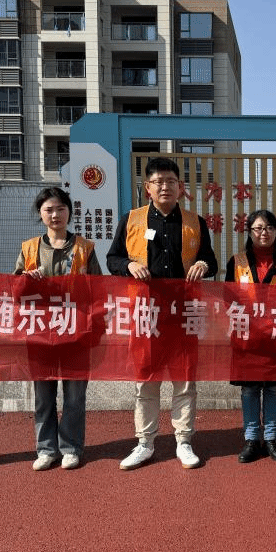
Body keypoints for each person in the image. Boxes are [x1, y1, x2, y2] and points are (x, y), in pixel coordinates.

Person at [106, 156, 218, 470]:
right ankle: (145, 442)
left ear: (180, 187)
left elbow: (211, 260)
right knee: (146, 380)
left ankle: (184, 441)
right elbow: (112, 259)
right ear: (148, 187)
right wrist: (128, 265)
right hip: (147, 313)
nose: (164, 187)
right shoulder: (132, 220)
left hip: (184, 312)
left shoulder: (195, 222)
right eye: (158, 182)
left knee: (185, 380)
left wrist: (203, 264)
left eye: (170, 181)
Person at [14, 187, 102, 471]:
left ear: (69, 212)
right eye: (48, 210)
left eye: (60, 209)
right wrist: (25, 278)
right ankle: (46, 449)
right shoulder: (29, 248)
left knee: (75, 396)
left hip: (76, 332)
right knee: (44, 396)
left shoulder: (85, 248)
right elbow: (14, 290)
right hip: (41, 333)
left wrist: (95, 328)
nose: (55, 215)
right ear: (40, 214)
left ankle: (71, 448)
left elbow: (99, 289)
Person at [225, 209, 276, 463]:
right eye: (258, 228)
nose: (263, 232)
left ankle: (271, 438)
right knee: (249, 389)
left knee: (274, 388)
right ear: (249, 232)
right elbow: (228, 299)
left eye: (269, 227)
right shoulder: (237, 262)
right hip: (246, 336)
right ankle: (251, 439)